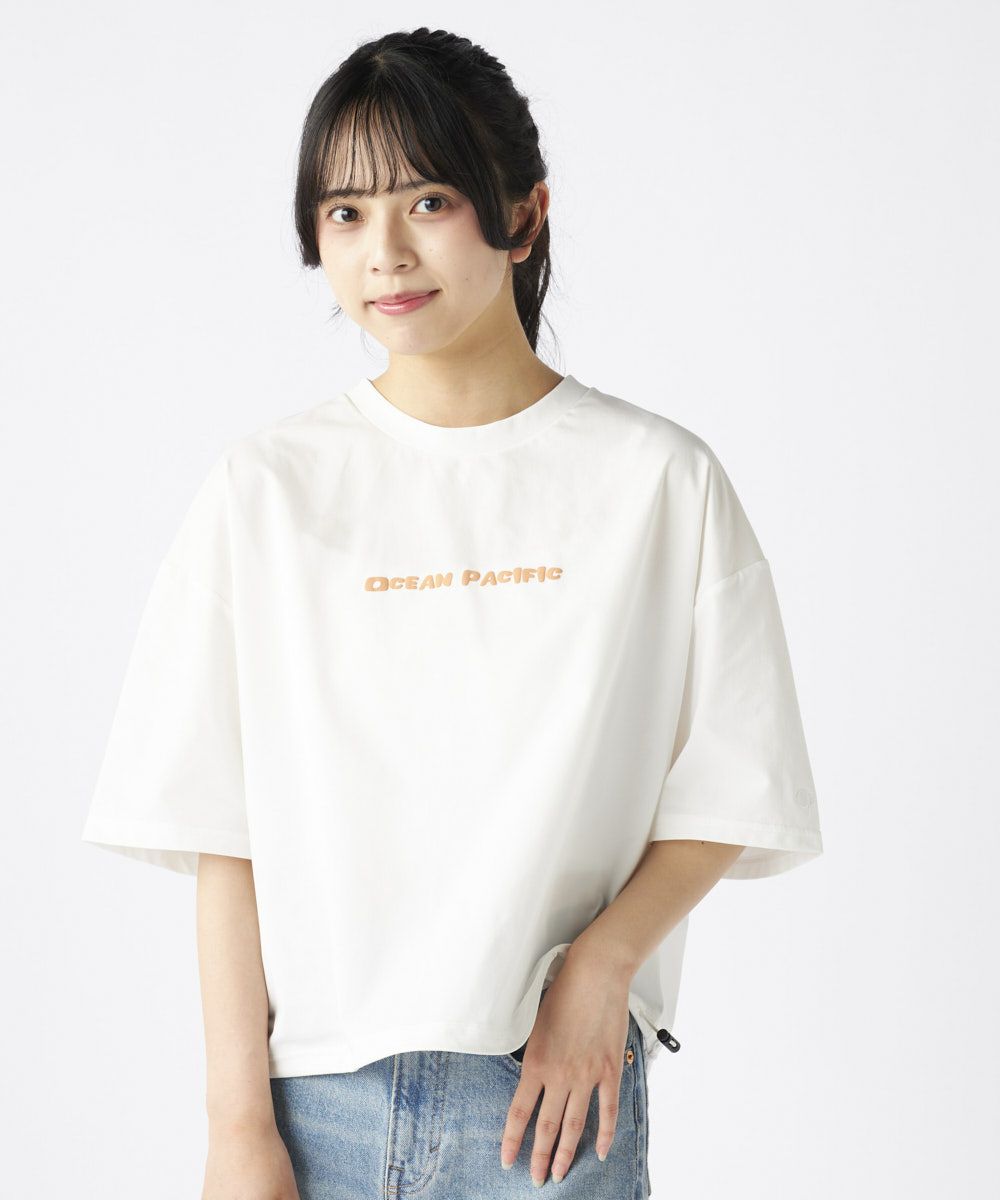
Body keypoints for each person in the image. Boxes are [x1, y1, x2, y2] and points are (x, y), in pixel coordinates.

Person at [81, 26, 824, 1200]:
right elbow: (224, 833)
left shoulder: (655, 482)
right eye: (344, 213)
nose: (384, 251)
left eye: (427, 201)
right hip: (309, 1104)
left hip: (552, 1101)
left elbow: (734, 784)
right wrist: (236, 1129)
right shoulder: (267, 489)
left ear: (523, 214)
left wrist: (601, 968)